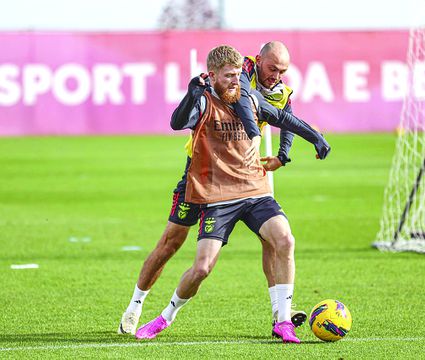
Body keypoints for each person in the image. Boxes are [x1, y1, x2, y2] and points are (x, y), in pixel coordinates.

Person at [118, 41, 321, 336]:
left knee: (276, 240)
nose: (276, 75)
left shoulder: (272, 91)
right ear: (257, 62)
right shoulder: (219, 89)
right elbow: (178, 120)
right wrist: (193, 92)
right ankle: (136, 305)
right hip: (199, 177)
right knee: (171, 245)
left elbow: (284, 118)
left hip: (246, 182)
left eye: (282, 71)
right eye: (272, 68)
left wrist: (292, 149)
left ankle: (281, 314)